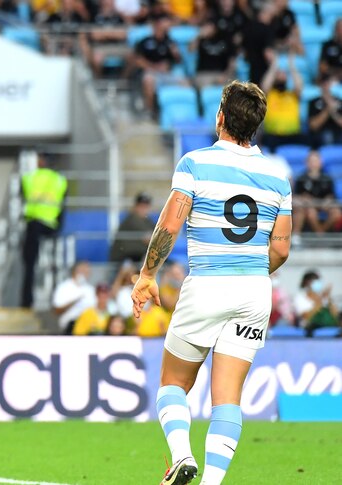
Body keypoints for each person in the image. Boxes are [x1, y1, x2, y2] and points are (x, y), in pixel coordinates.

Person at [131, 80, 291, 485]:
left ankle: (182, 456)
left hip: (207, 286)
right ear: (256, 125)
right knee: (227, 398)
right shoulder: (278, 178)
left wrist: (147, 274)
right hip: (255, 291)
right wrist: (251, 270)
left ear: (220, 116)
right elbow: (282, 249)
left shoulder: (195, 163)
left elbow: (170, 223)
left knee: (173, 383)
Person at [21, 153, 68, 308]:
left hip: (33, 225)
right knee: (55, 267)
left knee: (29, 265)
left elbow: (22, 197)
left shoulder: (29, 178)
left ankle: (27, 301)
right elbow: (62, 206)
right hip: (51, 228)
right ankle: (55, 300)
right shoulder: (60, 180)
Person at [292, 151, 341, 237]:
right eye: (311, 161)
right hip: (308, 207)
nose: (314, 164)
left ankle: (321, 233)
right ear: (307, 163)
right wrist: (304, 199)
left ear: (320, 162)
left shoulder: (327, 178)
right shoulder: (301, 179)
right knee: (310, 212)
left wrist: (328, 200)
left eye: (316, 161)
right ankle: (319, 234)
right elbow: (296, 196)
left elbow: (332, 196)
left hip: (324, 205)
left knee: (336, 213)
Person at [260, 52, 303, 151]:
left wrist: (292, 67)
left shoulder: (292, 95)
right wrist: (274, 66)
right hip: (273, 135)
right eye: (279, 74)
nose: (282, 75)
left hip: (293, 135)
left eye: (284, 74)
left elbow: (299, 86)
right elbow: (265, 85)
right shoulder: (270, 95)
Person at [110, 192, 156, 265]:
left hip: (137, 256)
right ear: (135, 206)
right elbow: (150, 239)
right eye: (141, 206)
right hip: (124, 259)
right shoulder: (131, 220)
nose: (143, 209)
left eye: (146, 206)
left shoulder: (148, 221)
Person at [51, 260, 96, 335]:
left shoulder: (90, 289)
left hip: (89, 327)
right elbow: (57, 310)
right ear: (75, 271)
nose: (86, 273)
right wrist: (75, 300)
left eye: (87, 271)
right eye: (83, 270)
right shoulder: (64, 287)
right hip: (70, 327)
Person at [307, 73, 342, 148]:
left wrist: (333, 112)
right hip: (320, 136)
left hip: (338, 134)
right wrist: (328, 109)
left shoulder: (339, 101)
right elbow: (313, 126)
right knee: (326, 136)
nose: (326, 85)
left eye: (328, 82)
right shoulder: (313, 102)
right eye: (323, 83)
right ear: (320, 85)